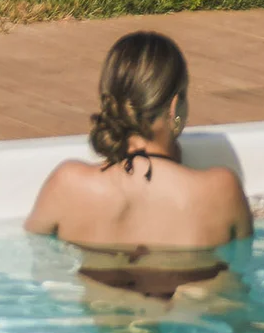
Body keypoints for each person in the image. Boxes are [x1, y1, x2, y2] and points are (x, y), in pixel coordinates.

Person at [24, 28, 252, 270]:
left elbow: (37, 261)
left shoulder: (67, 184)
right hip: (188, 305)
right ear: (174, 107)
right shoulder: (220, 190)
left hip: (103, 305)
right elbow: (243, 266)